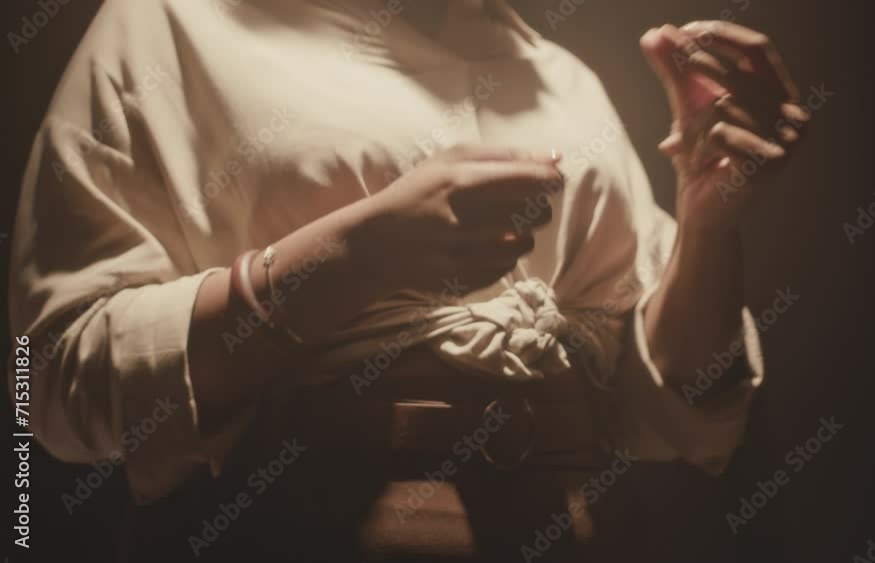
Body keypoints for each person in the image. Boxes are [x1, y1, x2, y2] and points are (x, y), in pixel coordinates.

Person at [8, 0, 807, 560]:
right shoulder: (171, 23)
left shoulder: (561, 80)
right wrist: (357, 257)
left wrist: (709, 223)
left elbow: (681, 420)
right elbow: (44, 380)